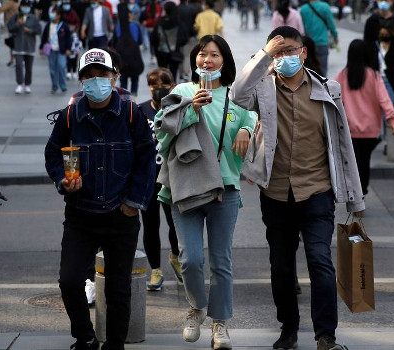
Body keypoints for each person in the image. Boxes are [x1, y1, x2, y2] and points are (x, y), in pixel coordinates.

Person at [231, 26, 364, 350]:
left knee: (320, 260)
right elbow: (237, 94)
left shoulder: (326, 89)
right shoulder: (262, 89)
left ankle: (325, 336)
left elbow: (343, 144)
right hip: (276, 193)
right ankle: (288, 329)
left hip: (316, 191)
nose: (284, 57)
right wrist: (264, 55)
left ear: (303, 53)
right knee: (281, 266)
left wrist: (354, 198)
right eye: (278, 52)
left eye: (289, 50)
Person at [44, 47, 155, 350]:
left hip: (121, 216)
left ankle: (115, 345)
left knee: (118, 288)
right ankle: (85, 336)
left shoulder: (132, 114)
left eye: (102, 75)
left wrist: (133, 204)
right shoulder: (70, 116)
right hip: (80, 214)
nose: (96, 81)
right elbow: (53, 153)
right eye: (89, 76)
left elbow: (148, 161)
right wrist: (62, 181)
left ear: (114, 76)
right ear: (81, 81)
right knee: (69, 281)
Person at [154, 35, 256, 350]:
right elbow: (161, 132)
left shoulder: (235, 98)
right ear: (194, 60)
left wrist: (246, 128)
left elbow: (253, 115)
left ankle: (220, 323)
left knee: (221, 261)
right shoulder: (182, 92)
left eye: (213, 55)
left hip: (224, 188)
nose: (206, 60)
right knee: (190, 259)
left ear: (224, 62)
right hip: (185, 188)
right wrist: (188, 110)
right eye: (202, 54)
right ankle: (197, 306)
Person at [336, 39, 394, 199]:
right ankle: (362, 192)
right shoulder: (374, 75)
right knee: (364, 162)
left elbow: (332, 99)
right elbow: (384, 100)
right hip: (371, 130)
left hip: (349, 129)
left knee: (353, 164)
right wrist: (392, 121)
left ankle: (355, 194)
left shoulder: (343, 76)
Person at [138, 68, 182, 290]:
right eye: (153, 86)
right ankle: (155, 270)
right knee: (150, 225)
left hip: (171, 178)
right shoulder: (140, 110)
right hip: (147, 180)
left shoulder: (176, 109)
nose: (158, 90)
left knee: (175, 223)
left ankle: (175, 256)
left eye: (163, 86)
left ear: (172, 86)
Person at [9, 0, 42, 94]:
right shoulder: (15, 17)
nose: (26, 8)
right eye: (24, 6)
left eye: (28, 6)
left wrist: (30, 31)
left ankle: (27, 84)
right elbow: (10, 28)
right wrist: (17, 24)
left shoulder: (33, 18)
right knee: (18, 66)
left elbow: (38, 30)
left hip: (29, 47)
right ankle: (19, 84)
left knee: (29, 67)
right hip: (18, 46)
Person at [112, 3, 144, 96]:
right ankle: (134, 96)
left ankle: (124, 96)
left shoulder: (118, 27)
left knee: (123, 79)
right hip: (134, 57)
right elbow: (140, 41)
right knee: (135, 78)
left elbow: (114, 43)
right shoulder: (135, 26)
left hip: (122, 58)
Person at [300, 0, 338, 76]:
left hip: (308, 44)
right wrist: (335, 36)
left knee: (308, 71)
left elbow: (301, 27)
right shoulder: (325, 7)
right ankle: (322, 87)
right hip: (322, 43)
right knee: (322, 71)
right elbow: (331, 24)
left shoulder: (303, 9)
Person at [151, 2, 187, 80]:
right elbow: (184, 38)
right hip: (174, 52)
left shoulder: (160, 22)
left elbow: (153, 37)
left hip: (161, 52)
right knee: (173, 74)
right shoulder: (178, 22)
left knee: (162, 74)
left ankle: (163, 89)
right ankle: (172, 89)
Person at [40, 7, 73, 93]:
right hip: (51, 51)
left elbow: (69, 38)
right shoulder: (48, 25)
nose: (52, 15)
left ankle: (63, 85)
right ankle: (54, 85)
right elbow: (44, 37)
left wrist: (68, 48)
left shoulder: (64, 26)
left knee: (62, 66)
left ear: (58, 15)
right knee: (52, 69)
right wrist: (41, 47)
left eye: (54, 13)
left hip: (61, 50)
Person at [177, 0, 201, 81]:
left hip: (179, 35)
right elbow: (195, 22)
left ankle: (180, 73)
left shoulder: (177, 8)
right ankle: (186, 73)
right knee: (187, 55)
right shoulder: (191, 9)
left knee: (180, 54)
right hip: (189, 35)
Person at [0, 0, 20, 66]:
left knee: (13, 43)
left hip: (12, 25)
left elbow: (1, 9)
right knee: (16, 42)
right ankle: (14, 59)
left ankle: (13, 59)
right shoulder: (17, 2)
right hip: (17, 24)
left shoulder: (10, 2)